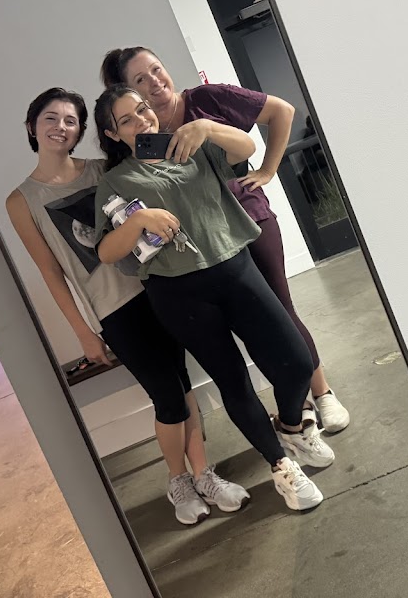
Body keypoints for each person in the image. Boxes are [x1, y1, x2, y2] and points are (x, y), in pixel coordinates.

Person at [6, 87, 249, 525]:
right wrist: (83, 333)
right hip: (113, 309)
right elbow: (51, 272)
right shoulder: (21, 201)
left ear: (83, 130)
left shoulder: (104, 170)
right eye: (51, 118)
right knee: (167, 397)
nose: (61, 127)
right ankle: (178, 480)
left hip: (159, 286)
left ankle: (203, 475)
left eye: (71, 120)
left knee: (183, 387)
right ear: (31, 127)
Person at [92, 86, 333, 511]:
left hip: (236, 266)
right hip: (178, 293)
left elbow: (246, 148)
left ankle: (291, 427)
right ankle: (281, 467)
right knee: (233, 381)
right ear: (113, 134)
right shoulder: (116, 180)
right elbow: (107, 252)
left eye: (142, 109)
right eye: (126, 119)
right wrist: (139, 220)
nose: (142, 120)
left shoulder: (191, 143)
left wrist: (206, 127)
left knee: (295, 360)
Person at [100, 47, 351, 434]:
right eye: (140, 80)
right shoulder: (144, 136)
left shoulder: (205, 100)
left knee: (280, 310)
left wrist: (267, 169)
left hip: (249, 217)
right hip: (206, 245)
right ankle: (296, 408)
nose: (154, 82)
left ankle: (322, 392)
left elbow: (281, 111)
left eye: (156, 70)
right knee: (252, 331)